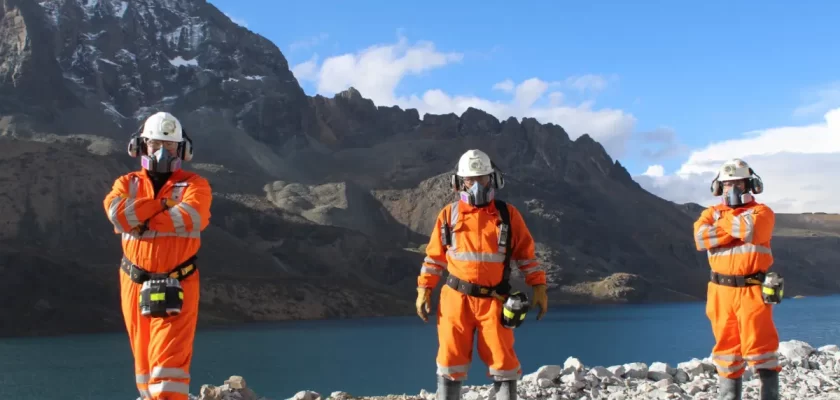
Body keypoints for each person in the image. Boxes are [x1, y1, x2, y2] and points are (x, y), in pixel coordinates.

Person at [416, 149, 548, 400]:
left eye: (482, 178)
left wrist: (539, 286)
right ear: (459, 182)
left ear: (493, 179)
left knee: (503, 363)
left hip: (495, 300)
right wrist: (424, 289)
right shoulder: (448, 215)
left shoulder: (507, 215)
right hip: (456, 300)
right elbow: (434, 259)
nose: (477, 185)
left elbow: (526, 256)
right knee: (450, 362)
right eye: (470, 180)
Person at [103, 111, 212, 400]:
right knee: (143, 366)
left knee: (169, 367)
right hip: (133, 282)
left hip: (178, 283)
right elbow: (117, 214)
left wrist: (141, 215)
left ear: (182, 150)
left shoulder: (196, 184)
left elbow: (191, 217)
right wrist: (164, 204)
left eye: (171, 145)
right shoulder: (126, 182)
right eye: (155, 144)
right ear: (140, 145)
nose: (162, 151)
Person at [693, 158, 781, 400]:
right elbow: (701, 239)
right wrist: (737, 227)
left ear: (750, 185)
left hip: (753, 290)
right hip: (720, 292)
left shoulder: (762, 212)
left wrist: (722, 225)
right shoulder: (710, 213)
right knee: (726, 351)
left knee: (762, 349)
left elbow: (753, 231)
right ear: (719, 187)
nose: (732, 189)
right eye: (727, 184)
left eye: (739, 183)